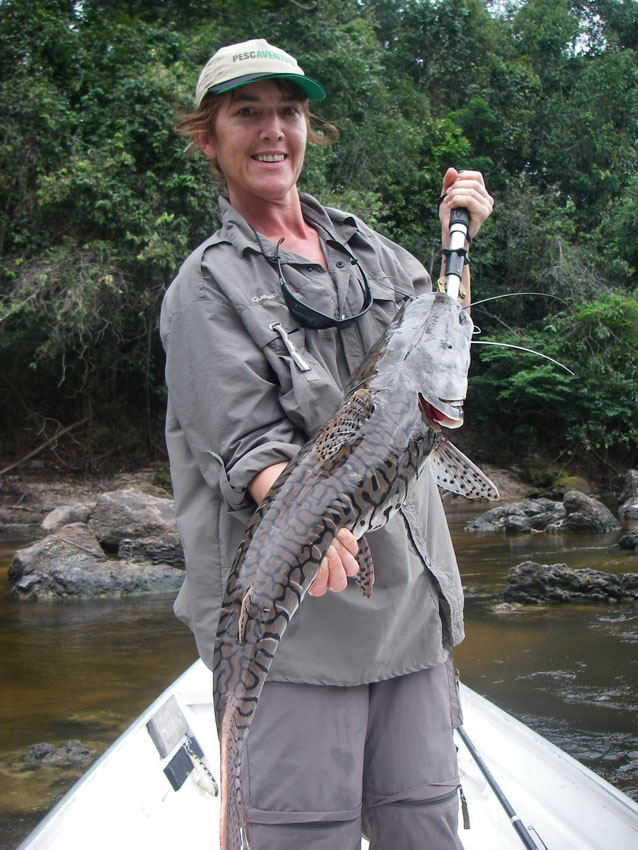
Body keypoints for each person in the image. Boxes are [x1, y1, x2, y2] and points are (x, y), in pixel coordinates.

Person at [160, 37, 493, 850]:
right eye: (248, 113)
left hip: (410, 617)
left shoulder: (372, 250)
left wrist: (462, 242)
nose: (273, 130)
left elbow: (443, 331)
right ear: (208, 138)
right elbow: (249, 446)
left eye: (289, 111)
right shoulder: (205, 287)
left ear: (308, 127)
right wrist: (310, 530)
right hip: (298, 641)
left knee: (425, 828)